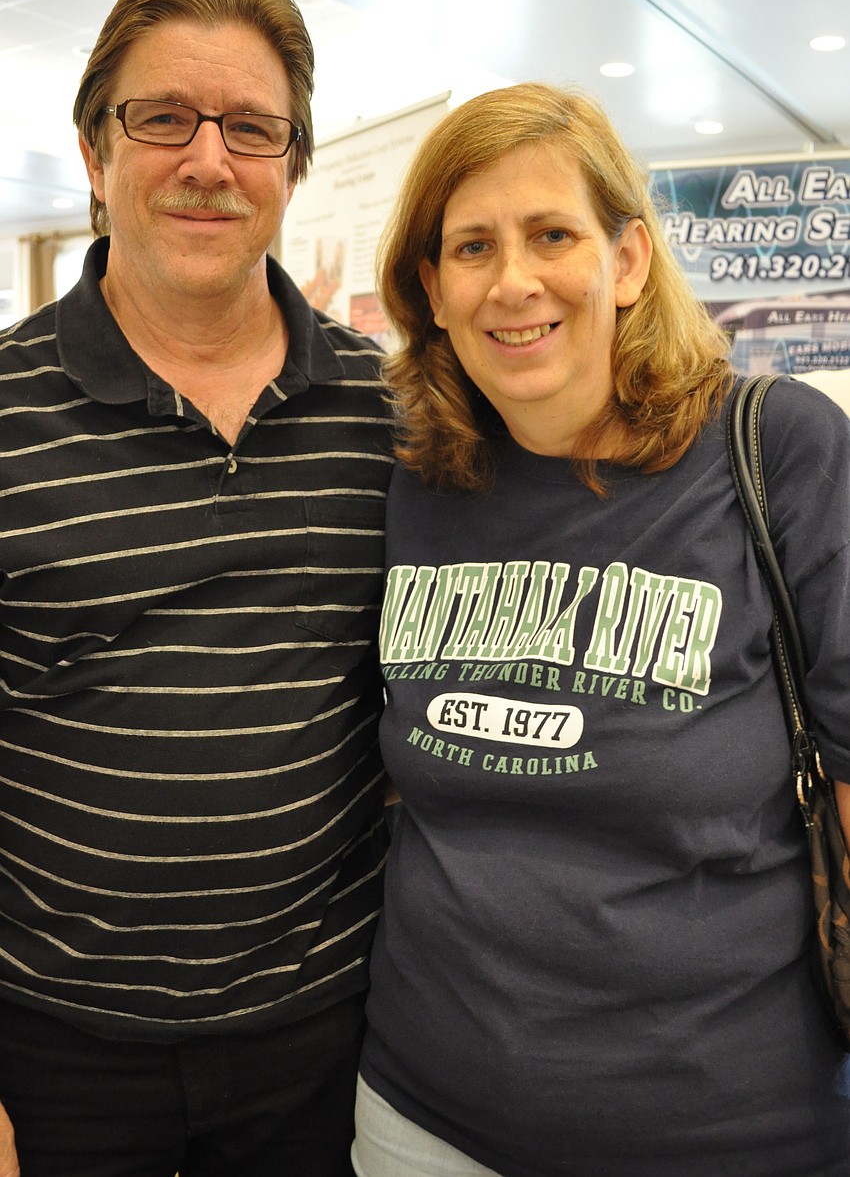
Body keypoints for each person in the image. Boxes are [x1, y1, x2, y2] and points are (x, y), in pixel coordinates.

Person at [350, 82, 850, 1177]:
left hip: (723, 1132)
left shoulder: (781, 453)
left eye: (551, 234)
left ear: (626, 261)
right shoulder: (413, 483)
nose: (512, 280)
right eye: (471, 246)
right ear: (431, 289)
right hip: (421, 1118)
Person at [0, 0, 393, 1177]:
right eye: (163, 117)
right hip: (52, 1045)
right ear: (93, 148)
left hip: (322, 1031)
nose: (208, 161)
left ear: (292, 163)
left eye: (253, 128)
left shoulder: (387, 416)